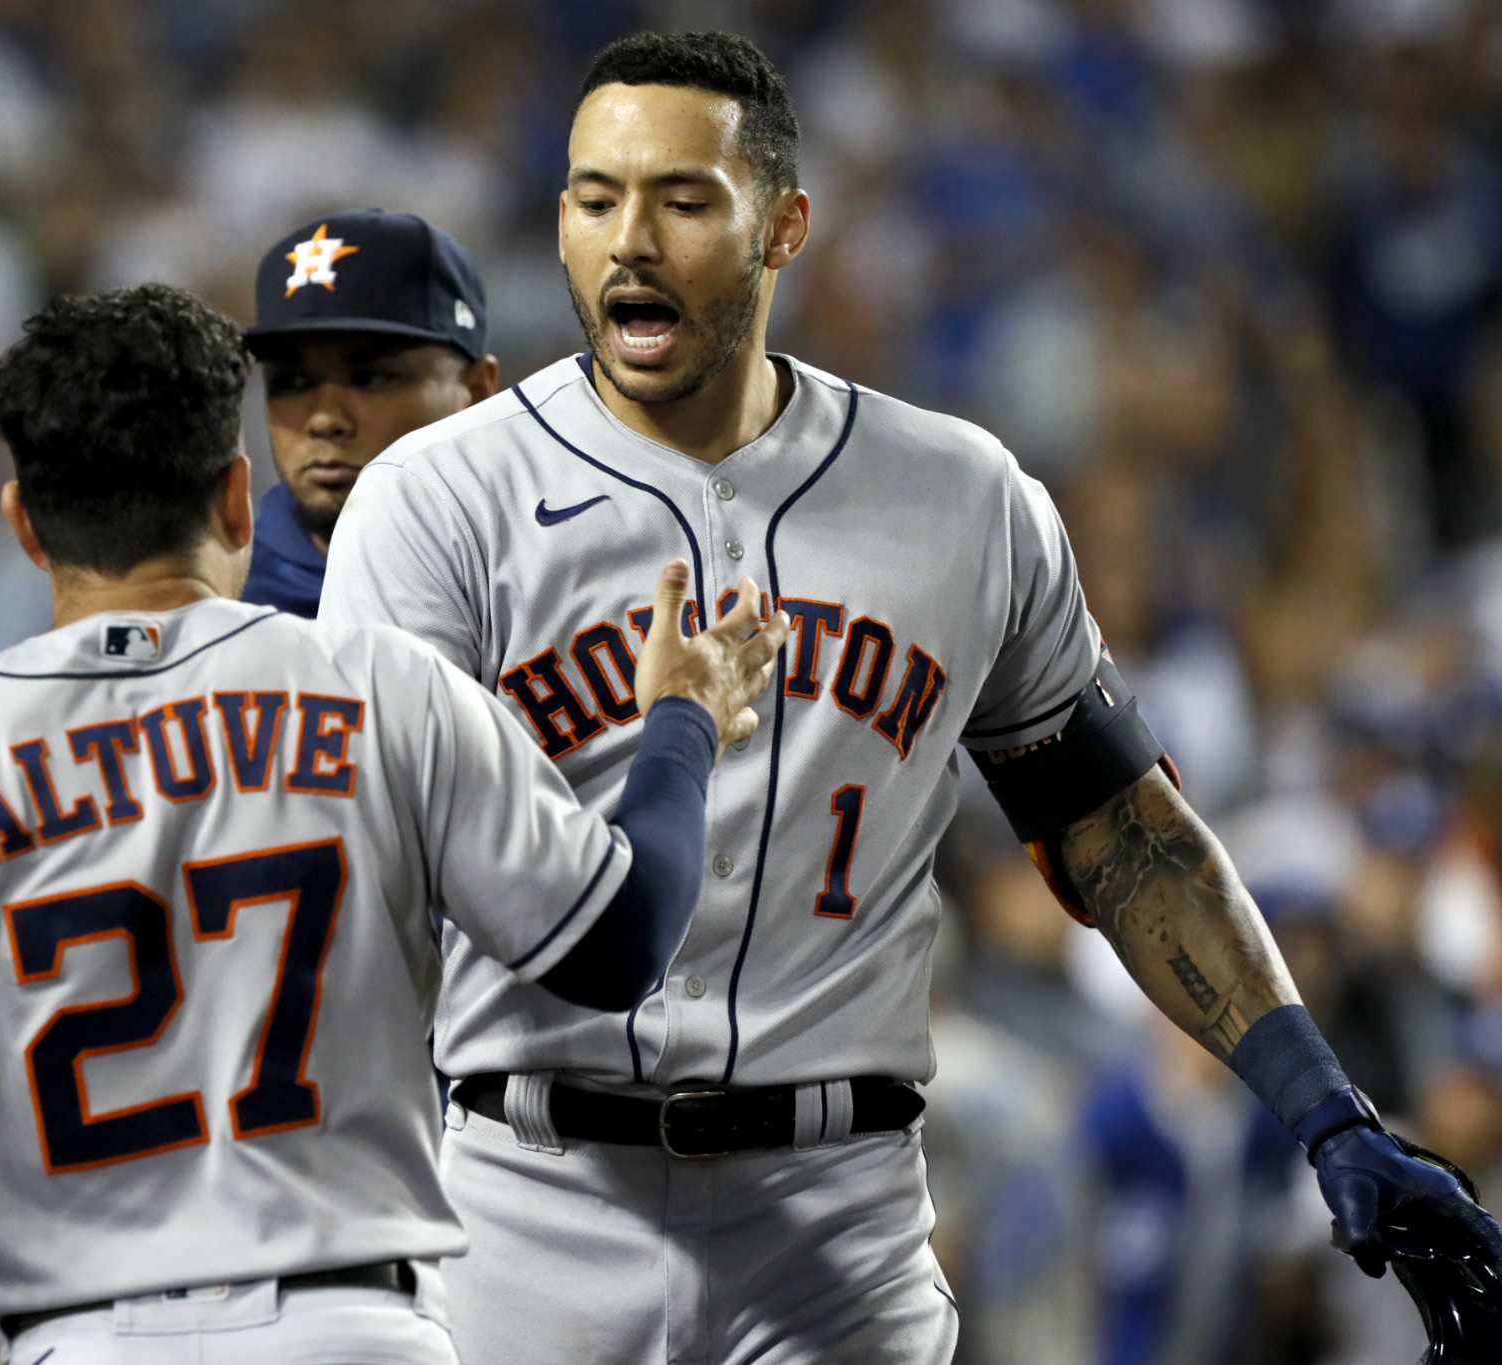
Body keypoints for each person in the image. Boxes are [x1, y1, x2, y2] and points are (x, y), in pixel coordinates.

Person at [318, 29, 1502, 1365]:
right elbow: (363, 898)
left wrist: (1325, 1107)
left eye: (683, 199)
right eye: (595, 199)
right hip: (526, 1202)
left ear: (786, 227)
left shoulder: (962, 495)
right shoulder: (438, 502)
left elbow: (1121, 832)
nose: (629, 241)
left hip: (842, 1220)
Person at [0, 283, 788, 1365]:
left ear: (24, 526)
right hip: (354, 1331)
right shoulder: (383, 688)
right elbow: (620, 945)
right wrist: (678, 721)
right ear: (239, 500)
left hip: (79, 1334)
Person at [241, 209, 499, 617]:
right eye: (291, 383)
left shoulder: (548, 579)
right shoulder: (223, 604)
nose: (324, 420)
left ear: (476, 392)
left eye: (372, 379)